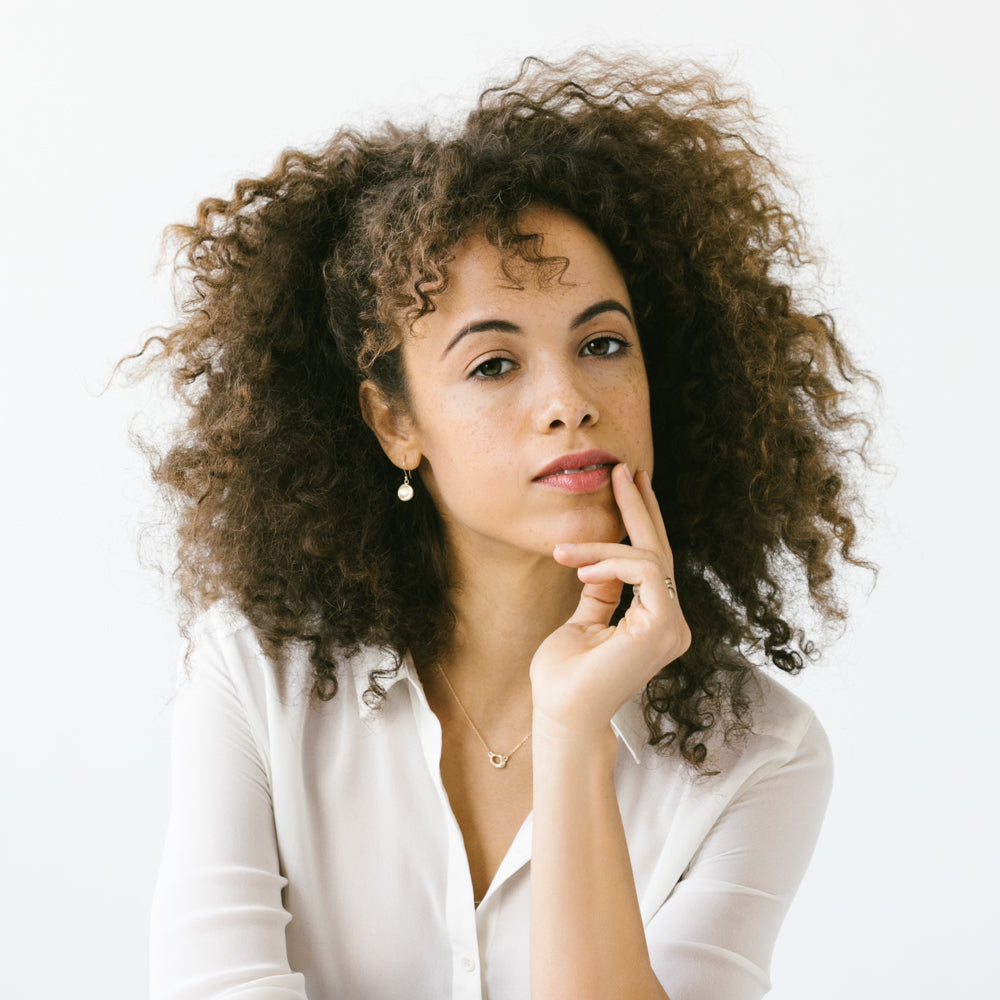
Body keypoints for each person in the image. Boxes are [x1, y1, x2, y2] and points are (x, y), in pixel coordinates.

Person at [140, 52, 873, 1000]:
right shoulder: (255, 676)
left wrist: (572, 731)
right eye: (494, 364)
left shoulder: (758, 753)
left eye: (603, 344)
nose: (569, 401)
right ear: (395, 424)